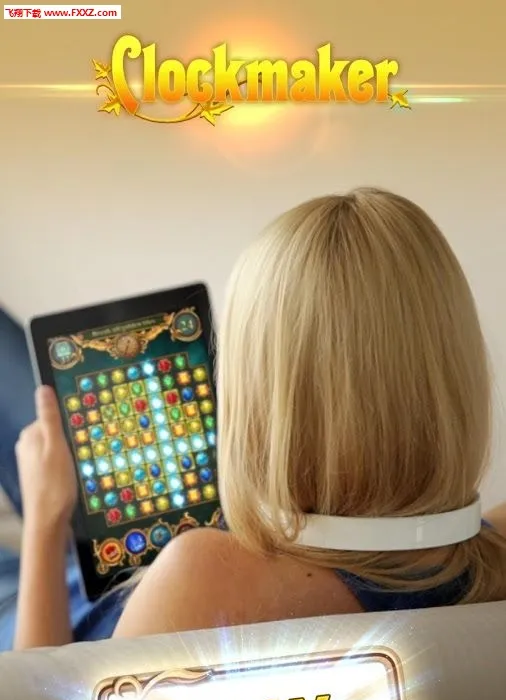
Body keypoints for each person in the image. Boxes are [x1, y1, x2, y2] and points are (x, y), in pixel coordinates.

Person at [3, 187, 506, 653]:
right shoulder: (494, 553)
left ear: (259, 394)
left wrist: (45, 521)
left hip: (48, 614)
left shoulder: (201, 577)